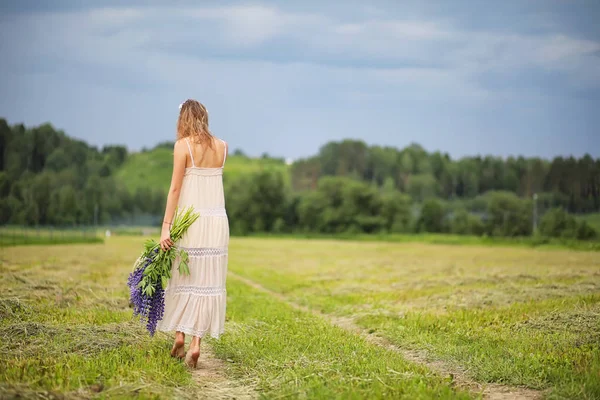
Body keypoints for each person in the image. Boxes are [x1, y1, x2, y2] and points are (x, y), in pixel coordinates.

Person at [155, 99, 229, 368]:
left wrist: (166, 226)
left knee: (183, 277)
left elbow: (175, 189)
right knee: (207, 282)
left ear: (183, 119)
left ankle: (180, 336)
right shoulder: (222, 147)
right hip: (217, 222)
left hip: (189, 221)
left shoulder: (182, 146)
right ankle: (197, 345)